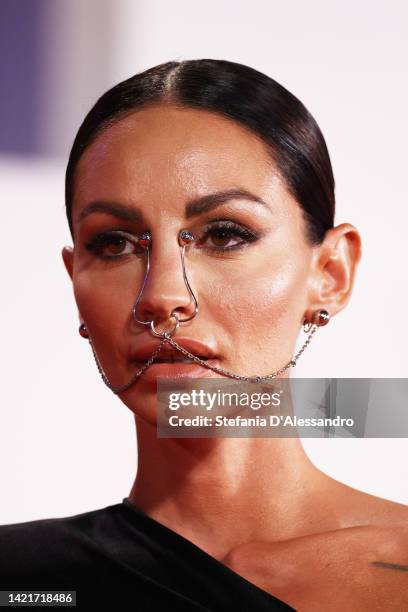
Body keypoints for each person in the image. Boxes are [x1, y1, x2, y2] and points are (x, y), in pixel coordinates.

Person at [1, 58, 407, 610]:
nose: (162, 296)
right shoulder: (23, 580)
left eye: (225, 234)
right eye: (115, 243)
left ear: (330, 274)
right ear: (75, 280)